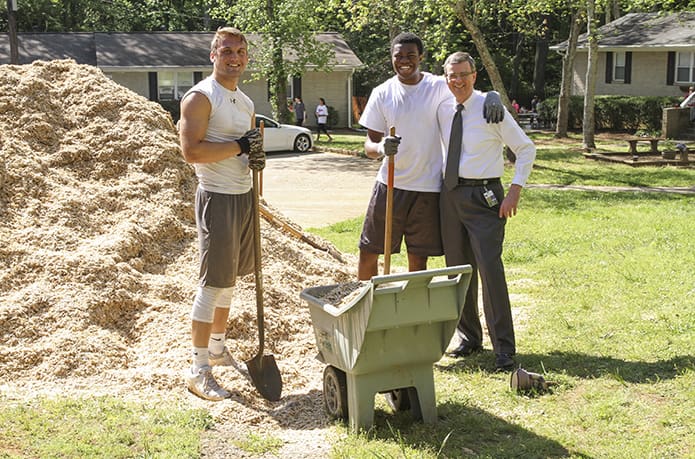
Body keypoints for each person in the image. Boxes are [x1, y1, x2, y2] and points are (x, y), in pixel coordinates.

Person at [357, 32, 504, 281]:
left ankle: (413, 310)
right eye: (399, 56)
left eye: (411, 56)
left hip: (427, 189)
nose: (405, 61)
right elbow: (369, 145)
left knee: (418, 256)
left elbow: (466, 88)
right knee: (369, 251)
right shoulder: (382, 93)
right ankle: (365, 307)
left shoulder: (437, 86)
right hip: (390, 185)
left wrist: (493, 95)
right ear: (391, 58)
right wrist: (382, 147)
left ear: (421, 57)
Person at [178, 27, 265, 401]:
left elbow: (244, 151)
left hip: (243, 196)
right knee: (212, 283)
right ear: (213, 55)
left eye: (241, 51)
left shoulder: (244, 101)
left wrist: (254, 157)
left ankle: (216, 348)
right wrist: (238, 146)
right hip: (217, 198)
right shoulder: (200, 97)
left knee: (229, 280)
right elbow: (192, 153)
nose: (235, 57)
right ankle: (198, 369)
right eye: (227, 50)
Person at [437, 51, 536, 371]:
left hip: (484, 198)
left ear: (475, 75)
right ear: (446, 77)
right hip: (450, 196)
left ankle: (504, 350)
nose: (458, 81)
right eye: (452, 76)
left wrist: (515, 191)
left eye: (464, 74)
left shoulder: (491, 108)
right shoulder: (442, 104)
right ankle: (470, 337)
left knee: (490, 272)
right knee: (458, 271)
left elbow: (525, 148)